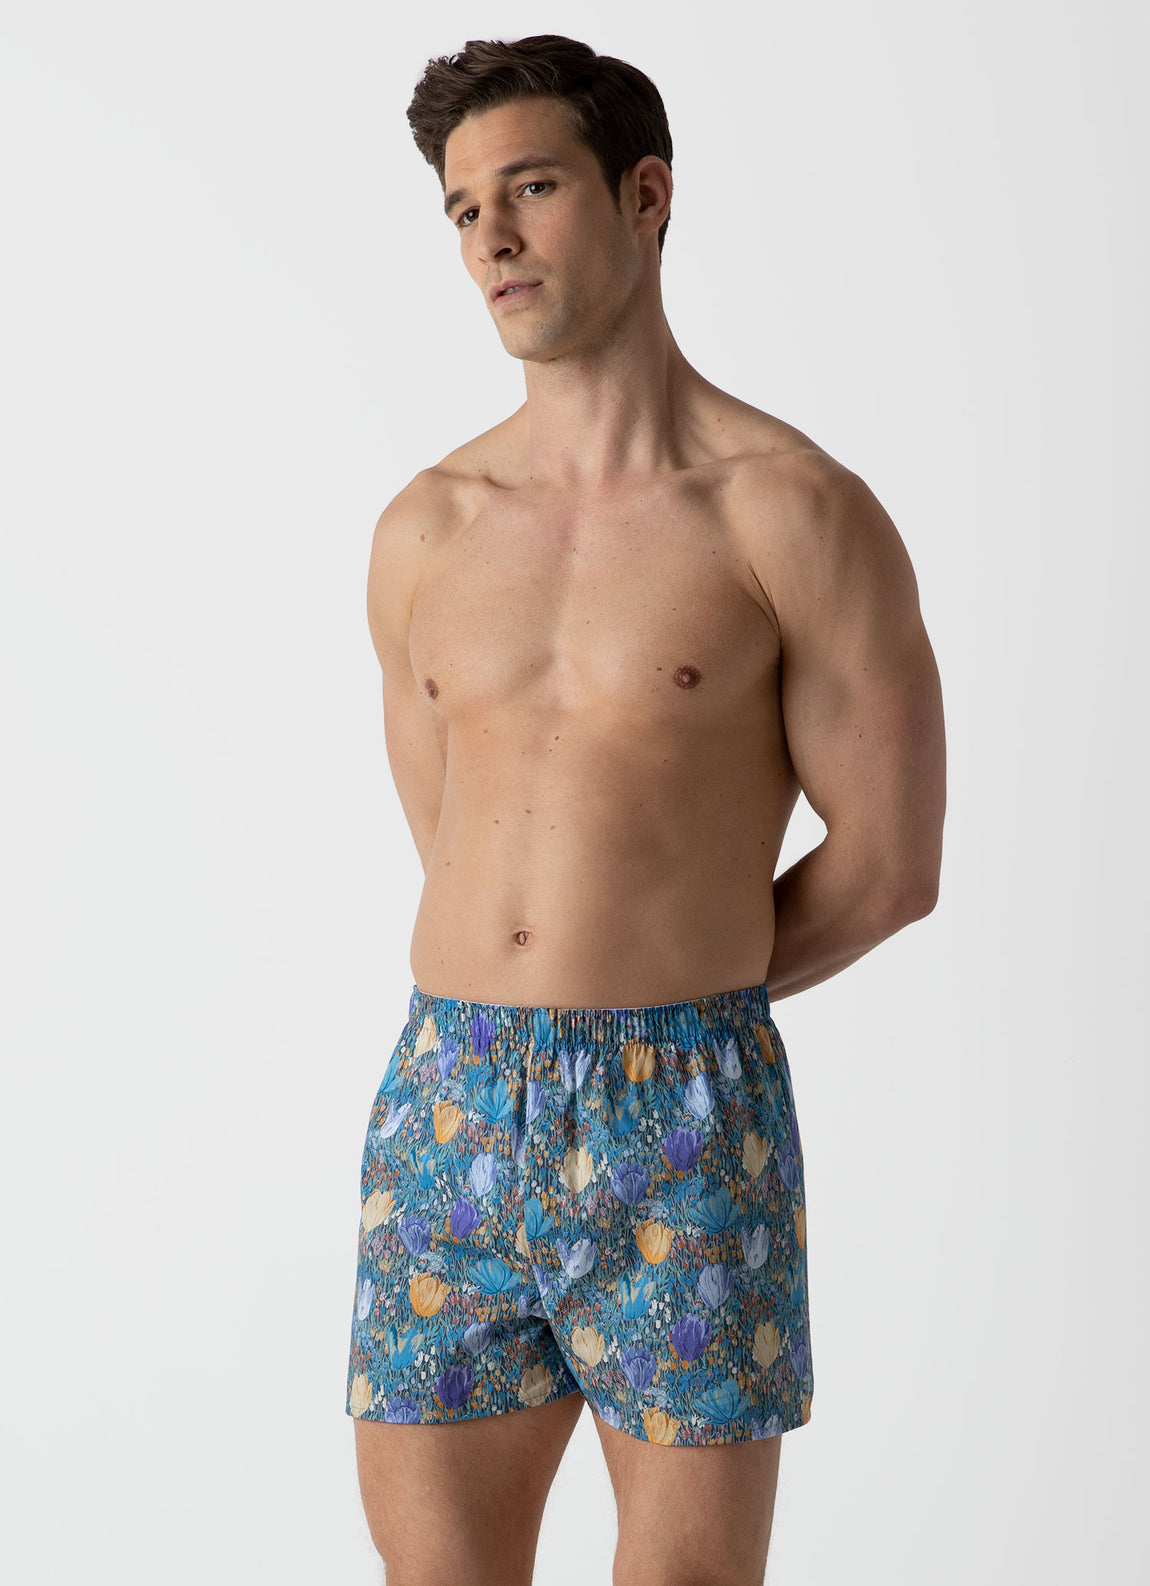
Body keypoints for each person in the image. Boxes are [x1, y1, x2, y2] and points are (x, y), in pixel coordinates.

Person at [344, 32, 946, 1586]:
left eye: (531, 187)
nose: (490, 237)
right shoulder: (425, 530)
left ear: (644, 195)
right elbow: (453, 836)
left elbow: (888, 865)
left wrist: (671, 982)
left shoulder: (790, 510)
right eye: (463, 209)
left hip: (684, 1110)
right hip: (449, 1096)